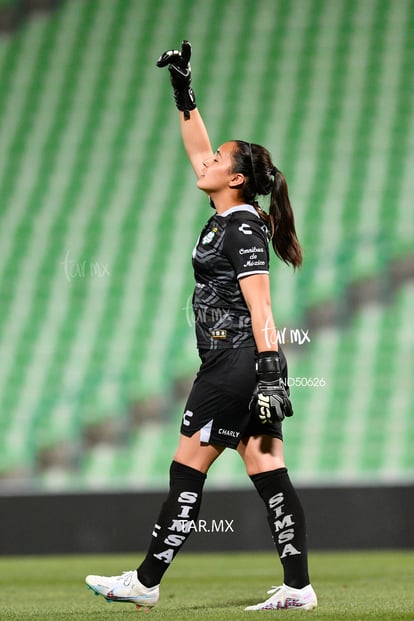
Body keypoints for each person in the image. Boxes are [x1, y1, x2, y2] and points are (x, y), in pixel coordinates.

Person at [85, 41, 317, 612]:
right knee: (267, 468)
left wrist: (266, 372)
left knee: (186, 467)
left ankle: (144, 583)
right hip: (243, 363)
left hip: (237, 361)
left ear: (235, 180)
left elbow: (261, 304)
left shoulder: (239, 230)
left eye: (219, 159)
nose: (207, 160)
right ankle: (298, 587)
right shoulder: (228, 213)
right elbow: (195, 145)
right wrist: (183, 88)